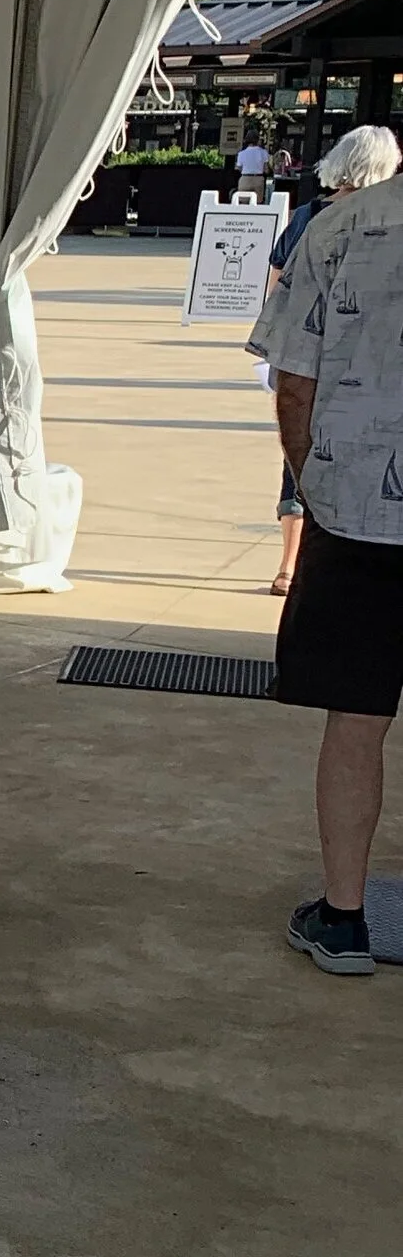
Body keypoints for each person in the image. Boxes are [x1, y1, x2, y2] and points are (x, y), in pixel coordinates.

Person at [248, 120, 403, 975]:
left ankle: (342, 918)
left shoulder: (338, 225)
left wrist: (308, 476)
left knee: (356, 717)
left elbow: (292, 379)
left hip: (356, 510)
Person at [258, 134, 380, 594]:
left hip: (304, 355)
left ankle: (290, 565)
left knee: (300, 456)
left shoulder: (307, 217)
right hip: (364, 361)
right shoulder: (384, 223)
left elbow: (276, 287)